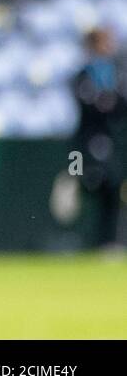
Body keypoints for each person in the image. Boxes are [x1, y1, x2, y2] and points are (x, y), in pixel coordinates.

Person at [72, 27, 126, 250]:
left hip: (111, 142)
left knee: (112, 189)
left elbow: (117, 106)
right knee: (80, 182)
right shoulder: (83, 75)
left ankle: (108, 242)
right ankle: (74, 238)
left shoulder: (116, 74)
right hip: (80, 147)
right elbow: (89, 105)